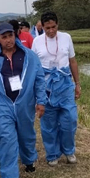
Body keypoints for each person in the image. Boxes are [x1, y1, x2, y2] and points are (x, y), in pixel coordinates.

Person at [0, 23, 47, 178]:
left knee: (26, 135)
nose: (8, 40)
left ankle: (28, 159)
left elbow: (40, 79)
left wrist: (41, 101)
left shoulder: (29, 56)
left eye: (10, 35)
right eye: (3, 37)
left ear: (15, 35)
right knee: (6, 138)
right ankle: (9, 176)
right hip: (4, 105)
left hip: (24, 102)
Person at [31, 11, 81, 166]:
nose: (51, 31)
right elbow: (34, 67)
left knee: (70, 120)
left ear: (57, 25)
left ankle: (69, 150)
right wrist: (35, 93)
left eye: (53, 27)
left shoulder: (66, 38)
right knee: (48, 124)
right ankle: (52, 154)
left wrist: (77, 84)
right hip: (45, 88)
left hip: (65, 85)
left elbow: (72, 61)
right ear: (42, 26)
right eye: (47, 28)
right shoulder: (37, 41)